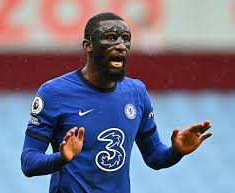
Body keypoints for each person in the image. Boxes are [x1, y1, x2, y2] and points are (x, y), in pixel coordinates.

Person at [21, 12, 212, 193]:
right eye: (111, 38)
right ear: (88, 45)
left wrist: (176, 152)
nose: (121, 45)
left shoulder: (136, 93)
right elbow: (28, 162)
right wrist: (61, 158)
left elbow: (154, 156)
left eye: (126, 39)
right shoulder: (54, 93)